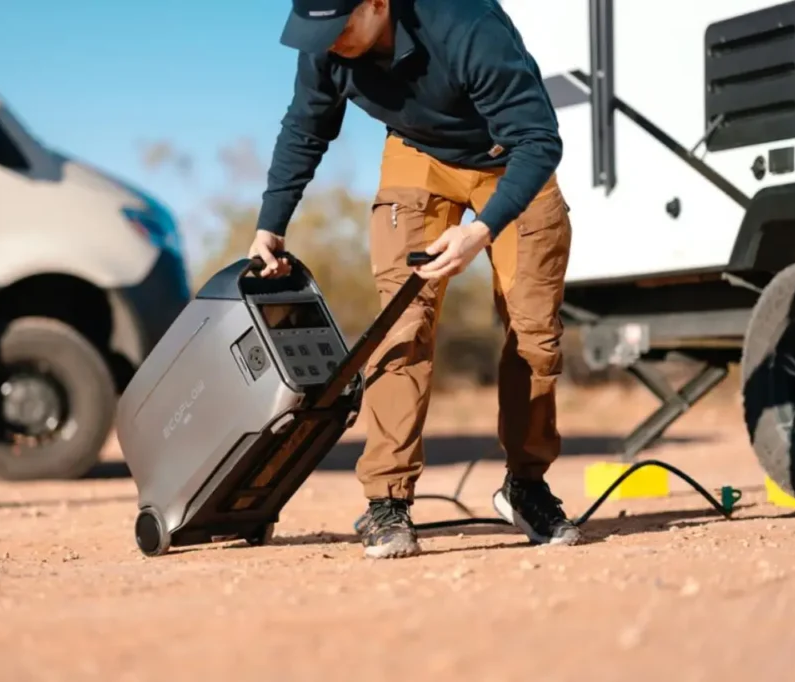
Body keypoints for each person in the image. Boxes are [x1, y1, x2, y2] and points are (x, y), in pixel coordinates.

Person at [249, 0, 581, 559]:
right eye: (316, 32)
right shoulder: (325, 46)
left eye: (338, 28)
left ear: (378, 4)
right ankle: (386, 501)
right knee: (400, 326)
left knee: (534, 335)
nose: (327, 43)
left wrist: (482, 229)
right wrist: (270, 225)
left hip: (509, 158)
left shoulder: (466, 28)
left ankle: (526, 486)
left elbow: (540, 140)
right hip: (416, 154)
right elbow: (306, 125)